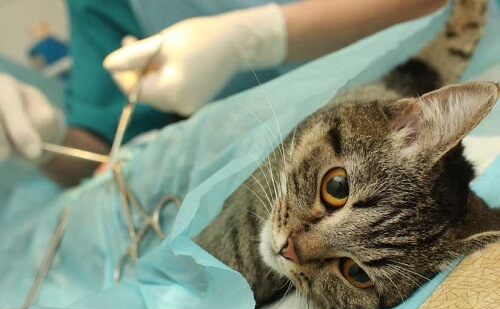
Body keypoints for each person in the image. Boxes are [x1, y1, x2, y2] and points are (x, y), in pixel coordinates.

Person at [0, 0, 445, 187]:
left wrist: (256, 37)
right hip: (274, 172)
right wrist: (44, 139)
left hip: (446, 72)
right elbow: (96, 155)